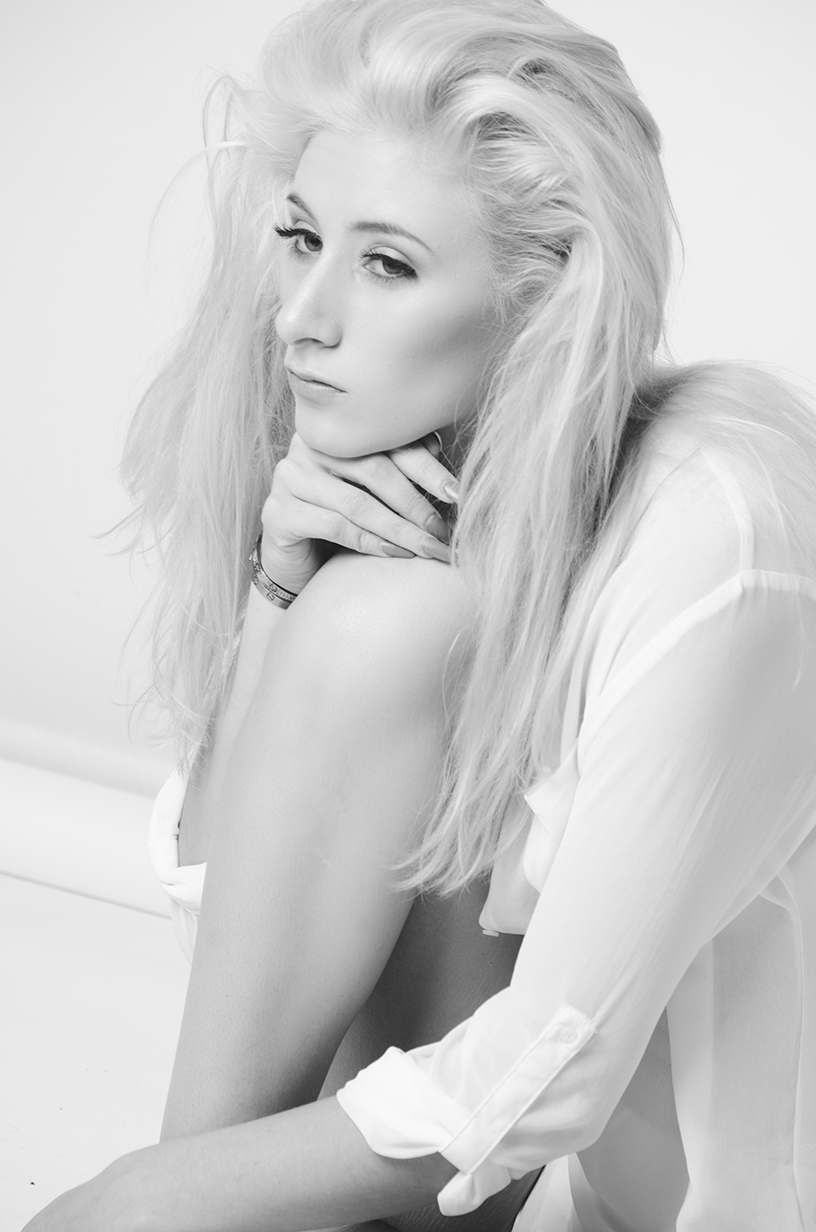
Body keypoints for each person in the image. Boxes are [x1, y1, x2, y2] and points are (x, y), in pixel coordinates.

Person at [24, 0, 816, 1229]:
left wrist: (136, 1199)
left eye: (387, 264)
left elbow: (555, 1068)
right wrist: (277, 599)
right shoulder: (443, 532)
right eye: (302, 238)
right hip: (523, 1189)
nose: (302, 315)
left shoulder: (723, 532)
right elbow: (251, 955)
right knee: (383, 624)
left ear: (543, 300)